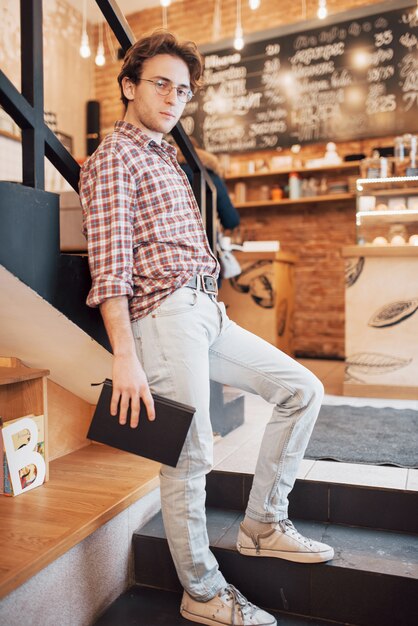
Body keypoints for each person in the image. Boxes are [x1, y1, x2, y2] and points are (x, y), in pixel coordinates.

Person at [79, 30, 333, 626]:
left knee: (303, 390)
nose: (173, 98)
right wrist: (125, 355)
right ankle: (201, 591)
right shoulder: (116, 156)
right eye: (161, 84)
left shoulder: (163, 154)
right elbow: (110, 265)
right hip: (163, 314)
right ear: (129, 86)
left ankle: (264, 523)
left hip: (205, 310)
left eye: (184, 90)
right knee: (189, 456)